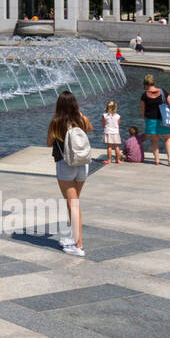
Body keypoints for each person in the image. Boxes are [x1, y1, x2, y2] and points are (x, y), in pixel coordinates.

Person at [46, 91, 93, 257]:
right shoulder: (82, 119)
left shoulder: (56, 122)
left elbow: (49, 142)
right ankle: (73, 238)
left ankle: (78, 245)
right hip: (82, 165)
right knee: (74, 203)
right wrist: (78, 116)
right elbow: (90, 129)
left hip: (65, 165)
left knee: (72, 205)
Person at [141, 73, 170, 166]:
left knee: (154, 140)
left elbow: (142, 110)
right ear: (154, 82)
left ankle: (157, 160)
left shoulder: (144, 95)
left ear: (145, 84)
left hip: (151, 120)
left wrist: (144, 117)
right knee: (168, 138)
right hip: (164, 119)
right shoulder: (163, 91)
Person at [101, 100, 121, 164]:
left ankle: (109, 160)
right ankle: (118, 160)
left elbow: (103, 125)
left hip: (108, 131)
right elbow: (118, 124)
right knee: (117, 146)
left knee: (109, 146)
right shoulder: (118, 116)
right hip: (115, 132)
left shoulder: (104, 115)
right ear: (115, 107)